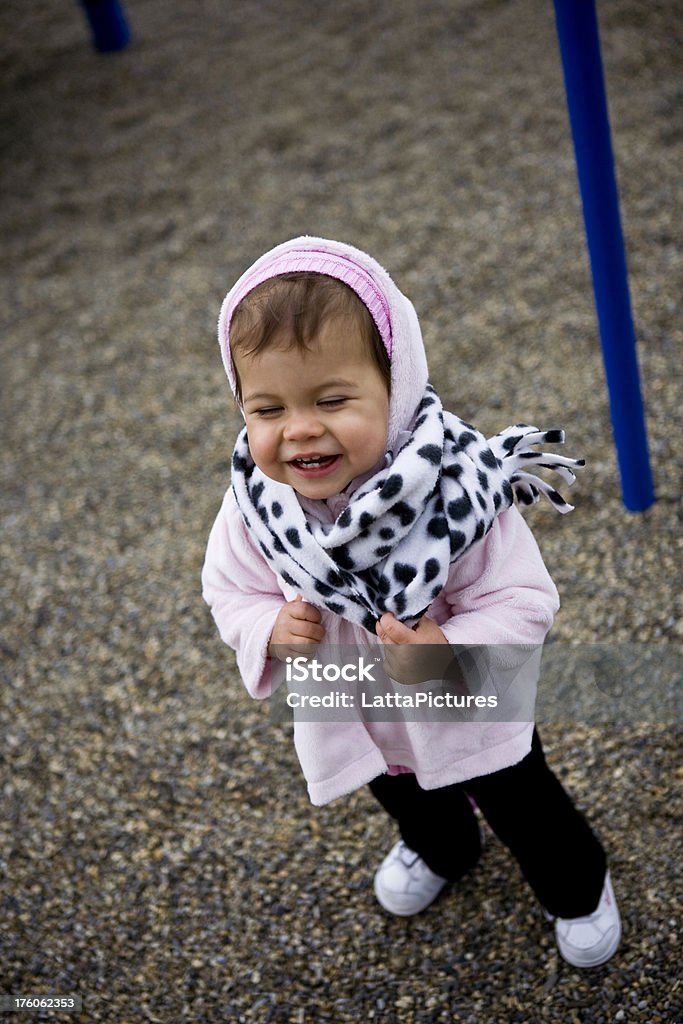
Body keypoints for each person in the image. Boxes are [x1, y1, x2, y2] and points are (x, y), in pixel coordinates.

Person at [202, 236, 620, 967]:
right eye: (267, 408)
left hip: (461, 699)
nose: (298, 429)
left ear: (394, 387)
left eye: (331, 399)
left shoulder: (457, 491)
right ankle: (443, 849)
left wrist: (448, 650)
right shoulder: (255, 507)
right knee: (405, 797)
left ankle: (577, 886)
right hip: (354, 704)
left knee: (523, 802)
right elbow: (228, 590)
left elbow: (522, 597)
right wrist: (265, 626)